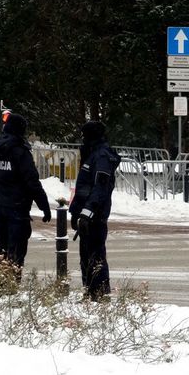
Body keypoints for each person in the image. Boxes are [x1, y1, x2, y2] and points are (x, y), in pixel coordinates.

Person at [0, 111, 51, 291]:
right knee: (16, 252)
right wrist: (44, 206)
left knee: (2, 250)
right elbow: (32, 182)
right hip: (17, 209)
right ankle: (10, 290)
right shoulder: (19, 151)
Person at [69, 120, 120, 301]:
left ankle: (99, 296)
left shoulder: (101, 156)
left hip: (95, 216)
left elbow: (100, 188)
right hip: (87, 215)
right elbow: (84, 188)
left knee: (95, 256)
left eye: (85, 135)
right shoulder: (92, 154)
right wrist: (76, 211)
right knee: (87, 257)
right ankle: (90, 293)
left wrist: (87, 212)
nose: (82, 139)